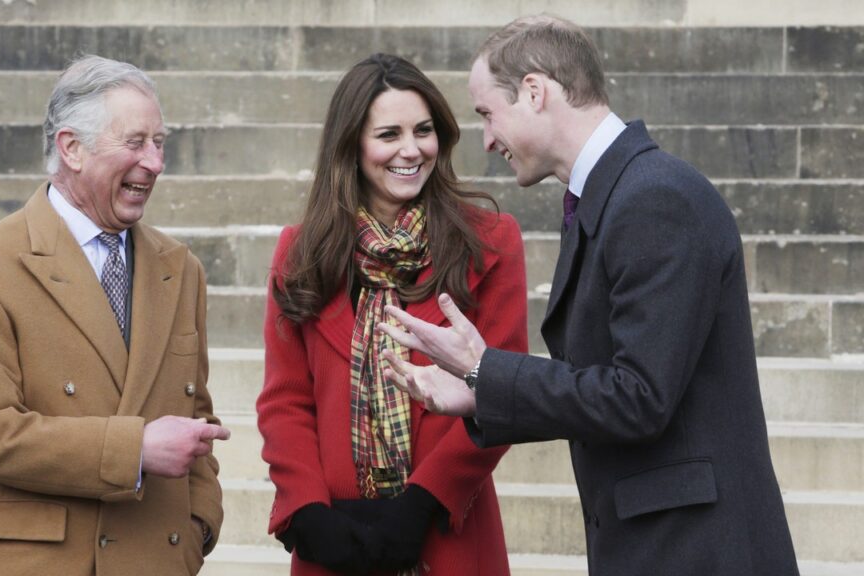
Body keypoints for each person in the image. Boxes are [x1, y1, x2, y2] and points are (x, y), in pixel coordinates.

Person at [379, 15, 799, 576]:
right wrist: (481, 394)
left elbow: (638, 397)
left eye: (487, 114)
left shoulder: (654, 198)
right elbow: (603, 386)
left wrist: (486, 369)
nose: (486, 138)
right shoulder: (619, 194)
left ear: (535, 91)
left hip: (695, 549)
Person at [0, 55, 230, 576]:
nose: (154, 163)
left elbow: (195, 415)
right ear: (71, 148)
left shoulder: (181, 269)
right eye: (135, 143)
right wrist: (135, 449)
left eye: (160, 143)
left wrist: (199, 525)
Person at [256, 53, 529, 576]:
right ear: (351, 146)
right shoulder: (301, 253)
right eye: (389, 135)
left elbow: (504, 393)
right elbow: (285, 400)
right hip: (335, 539)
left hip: (445, 528)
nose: (411, 150)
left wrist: (423, 502)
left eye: (423, 131)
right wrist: (308, 511)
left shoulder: (491, 243)